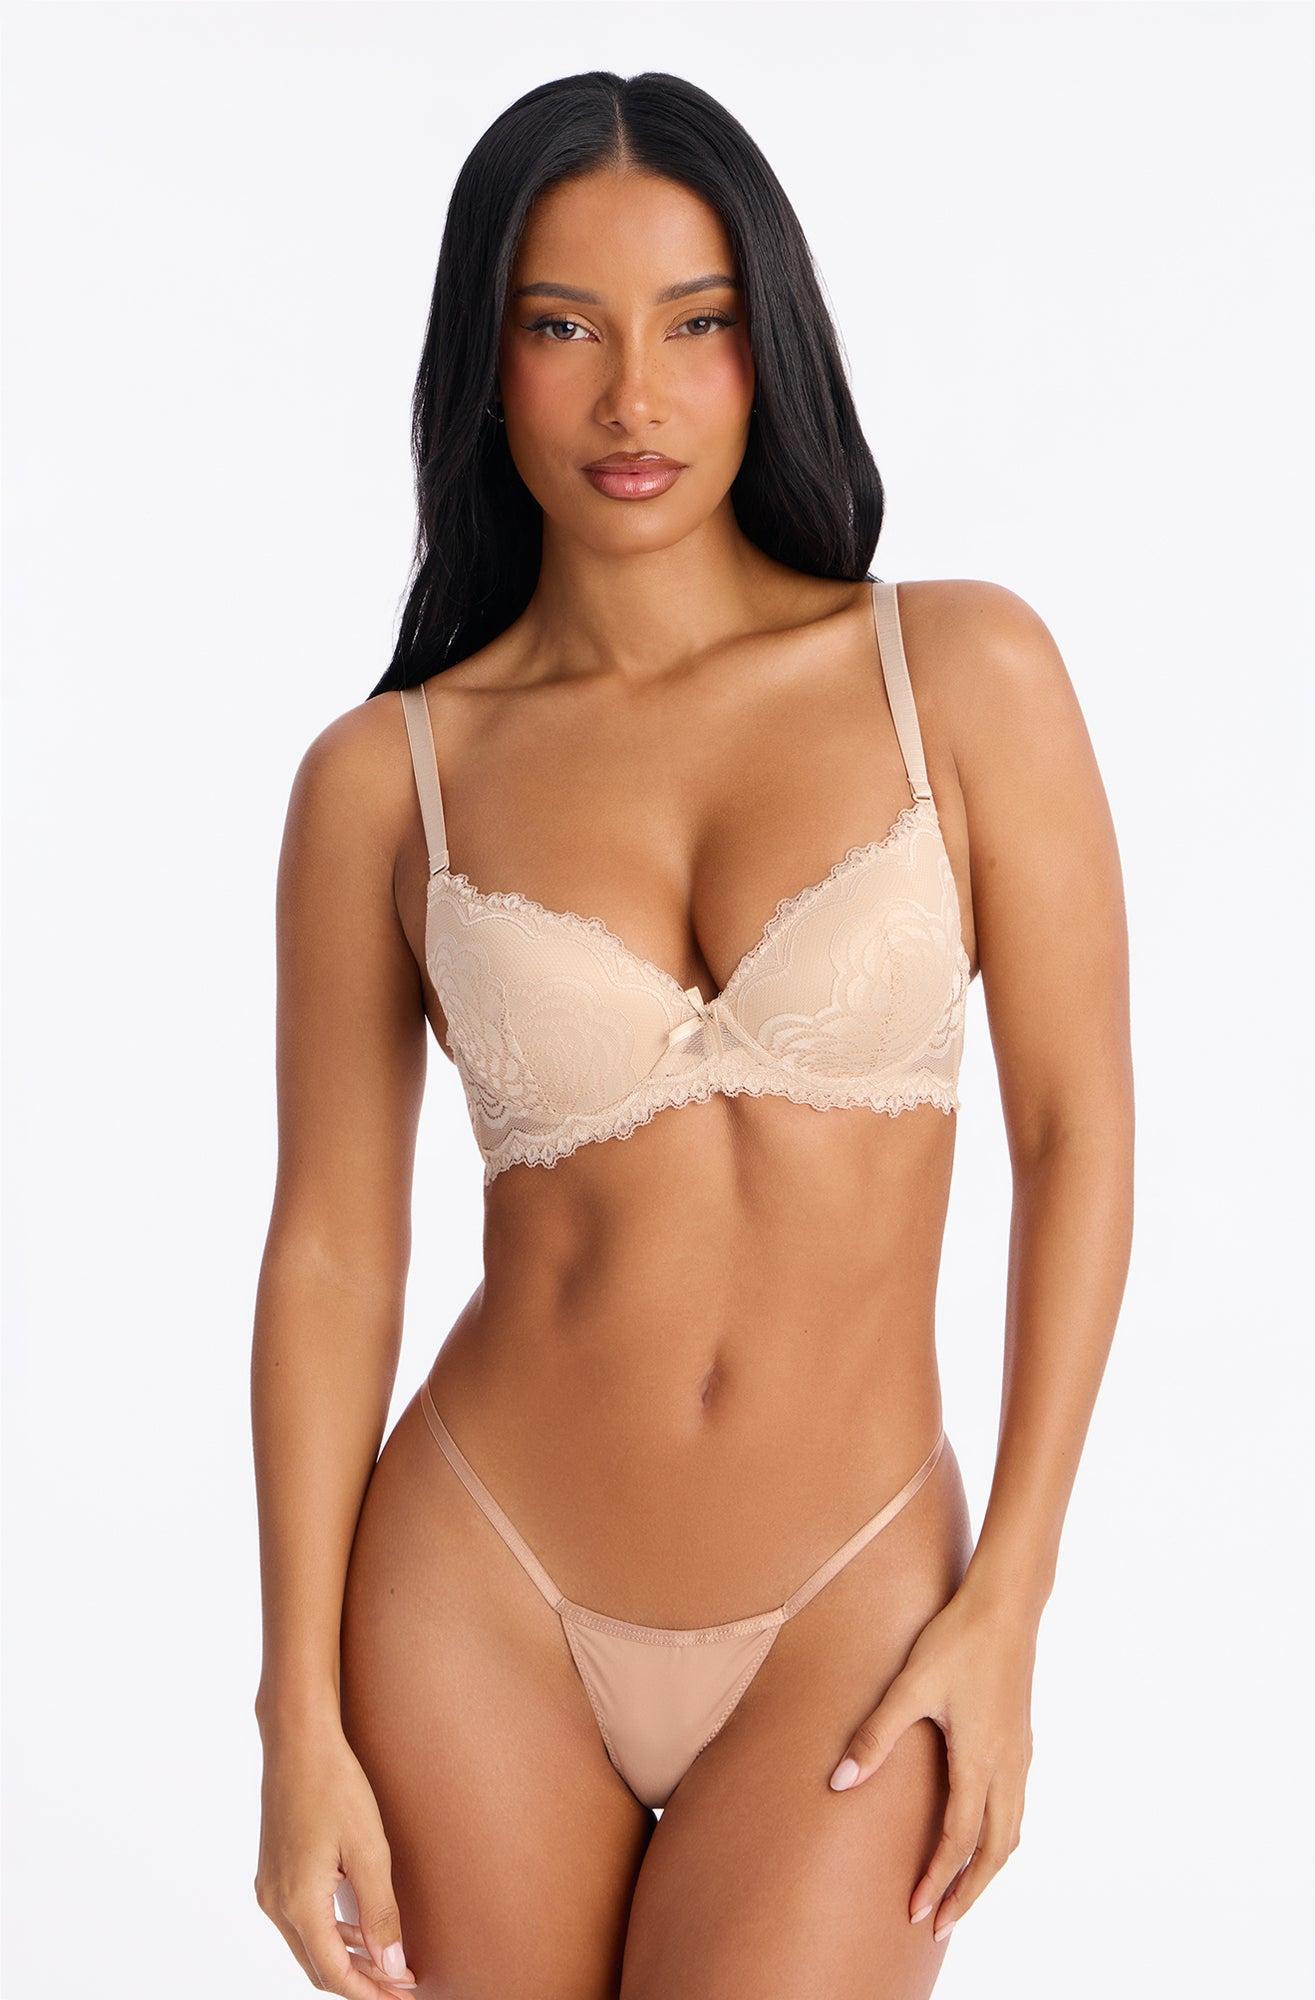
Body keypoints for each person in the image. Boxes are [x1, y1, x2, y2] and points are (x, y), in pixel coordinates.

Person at [251, 69, 1134, 2000]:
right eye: (563, 327)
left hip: (853, 1603)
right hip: (479, 1597)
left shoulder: (957, 672)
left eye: (695, 323)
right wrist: (292, 1715)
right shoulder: (387, 781)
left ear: (770, 343)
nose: (631, 398)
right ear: (484, 365)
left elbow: (1075, 1137)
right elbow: (328, 1254)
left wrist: (1012, 1597)